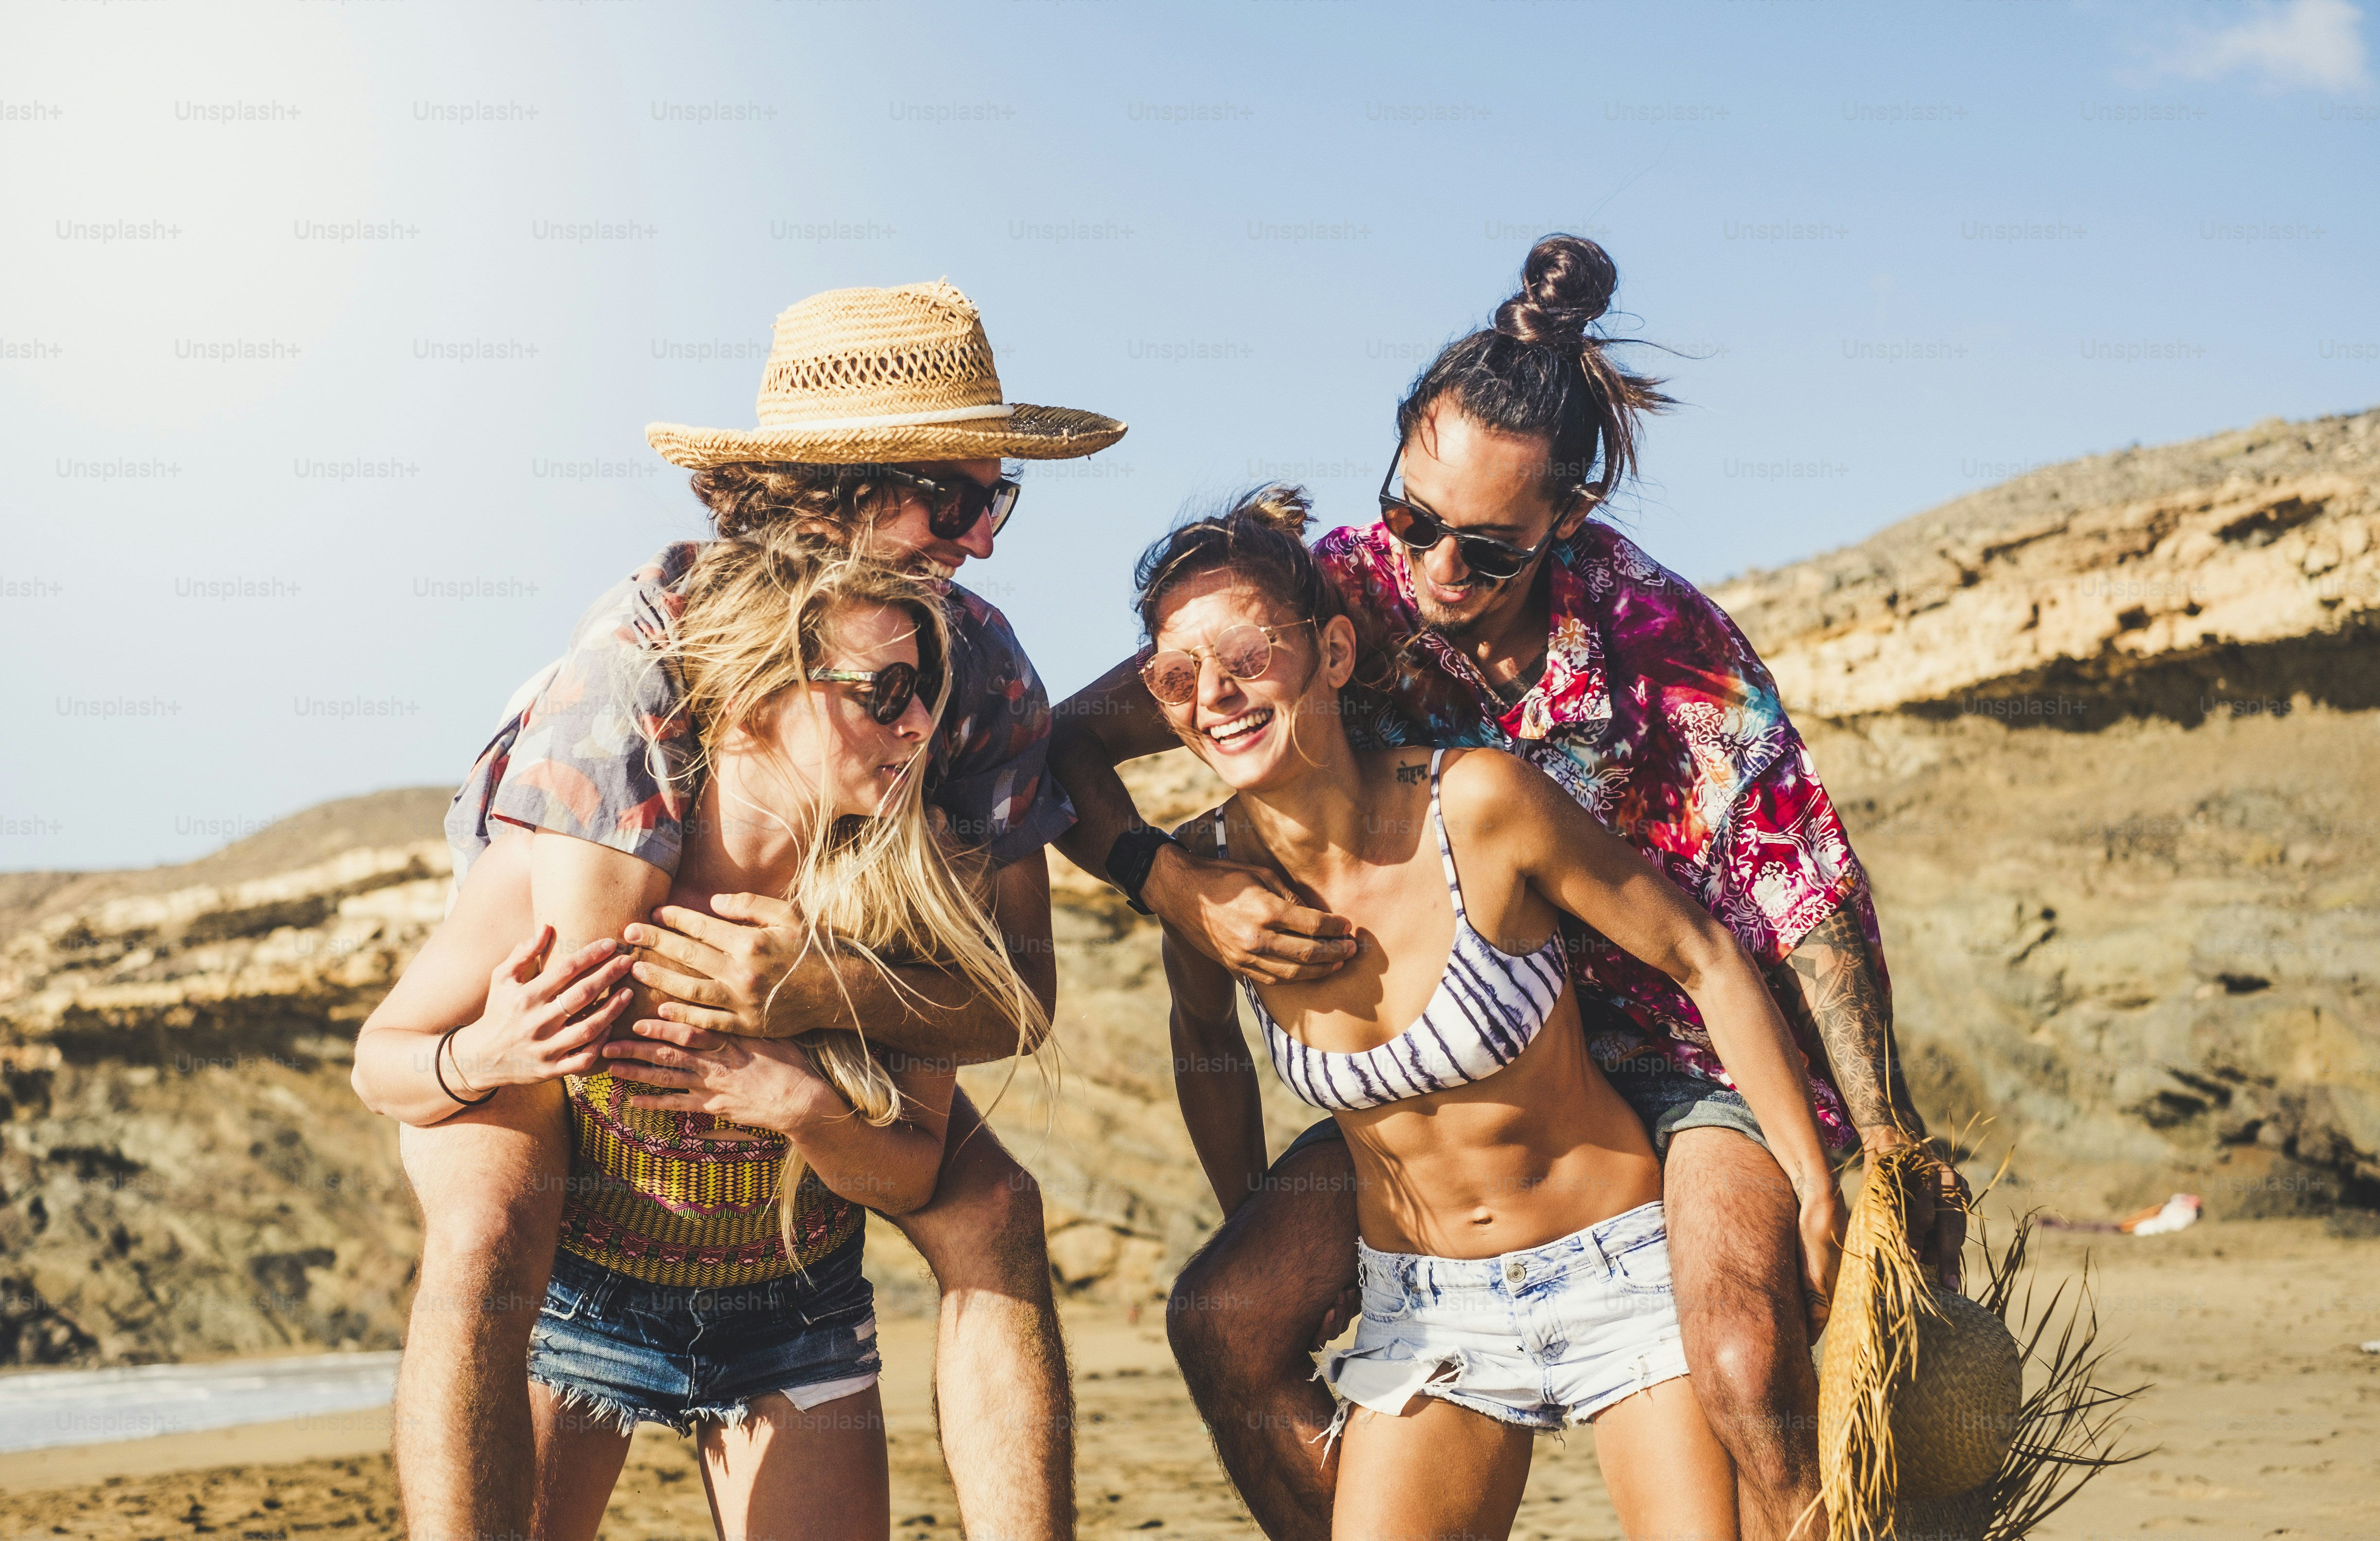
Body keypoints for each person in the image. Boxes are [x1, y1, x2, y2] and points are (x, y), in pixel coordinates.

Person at [1050, 236, 1967, 1541]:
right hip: (1468, 1058)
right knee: (1224, 1319)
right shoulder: (1328, 597)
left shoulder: (1661, 643)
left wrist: (1884, 1144)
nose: (1435, 567)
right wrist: (1175, 889)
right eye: (1414, 517)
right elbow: (1071, 746)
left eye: (1484, 549)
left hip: (1676, 1049)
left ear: (1567, 519)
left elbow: (1800, 895)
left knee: (1746, 1366)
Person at [380, 280, 1124, 1541]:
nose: (983, 542)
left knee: (994, 1208)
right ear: (834, 491)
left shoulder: (981, 673)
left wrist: (826, 990)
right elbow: (600, 997)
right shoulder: (641, 659)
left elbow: (1016, 1000)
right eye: (953, 503)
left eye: (994, 500)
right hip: (577, 1113)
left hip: (799, 1156)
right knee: (492, 1204)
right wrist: (465, 1062)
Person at [1137, 488, 1845, 1541]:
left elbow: (1702, 954)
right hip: (1426, 1316)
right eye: (1175, 675)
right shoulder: (1206, 888)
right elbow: (1203, 1044)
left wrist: (1814, 1181)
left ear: (1334, 652)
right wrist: (1258, 1218)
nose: (1215, 695)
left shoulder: (1478, 805)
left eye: (1248, 653)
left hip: (1621, 1278)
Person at [357, 541, 1039, 1539]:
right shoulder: (568, 864)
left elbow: (909, 1175)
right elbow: (380, 1064)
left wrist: (803, 1107)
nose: (920, 724)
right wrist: (482, 1057)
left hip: (796, 1321)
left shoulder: (906, 895)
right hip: (579, 1313)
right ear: (758, 696)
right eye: (885, 693)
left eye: (925, 692)